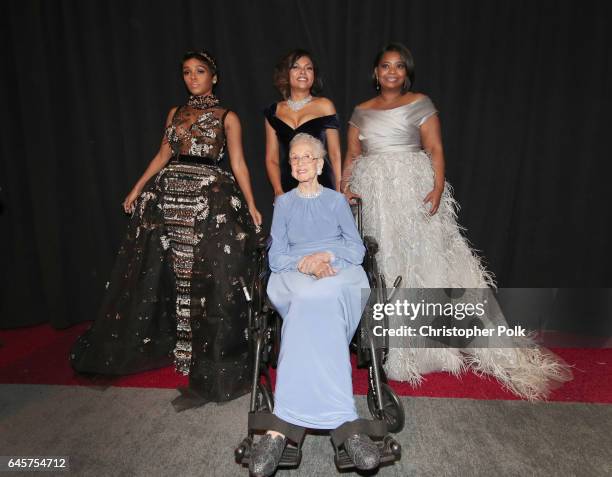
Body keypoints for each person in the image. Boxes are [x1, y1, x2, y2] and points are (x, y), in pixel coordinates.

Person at [343, 43, 571, 400]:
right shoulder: (360, 112)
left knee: (422, 263)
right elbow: (352, 156)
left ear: (407, 73)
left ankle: (431, 348)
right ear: (375, 72)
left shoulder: (421, 102)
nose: (391, 72)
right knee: (385, 266)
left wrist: (436, 190)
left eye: (399, 66)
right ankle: (389, 348)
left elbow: (435, 149)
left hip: (412, 191)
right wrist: (345, 189)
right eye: (385, 66)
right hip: (375, 197)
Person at [70, 50, 262, 409]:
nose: (193, 78)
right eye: (187, 72)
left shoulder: (227, 116)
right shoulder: (175, 113)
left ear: (214, 76)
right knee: (170, 273)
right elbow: (162, 155)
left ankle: (203, 352)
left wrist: (251, 204)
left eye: (200, 71)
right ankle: (179, 346)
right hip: (168, 193)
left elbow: (238, 163)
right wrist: (137, 187)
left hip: (207, 199)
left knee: (205, 275)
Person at [248, 134, 379, 477]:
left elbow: (356, 250)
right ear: (290, 167)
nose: (301, 163)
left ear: (321, 164)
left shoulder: (336, 202)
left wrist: (326, 255)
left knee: (322, 296)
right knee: (307, 297)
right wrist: (305, 262)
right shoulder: (284, 204)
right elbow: (276, 257)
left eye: (308, 157)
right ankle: (342, 420)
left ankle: (282, 429)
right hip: (293, 273)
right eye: (294, 159)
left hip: (339, 271)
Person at [264, 49, 341, 195]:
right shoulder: (274, 111)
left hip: (321, 183)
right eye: (296, 67)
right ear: (286, 73)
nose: (303, 72)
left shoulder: (325, 105)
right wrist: (278, 190)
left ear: (314, 75)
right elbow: (271, 159)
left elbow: (335, 153)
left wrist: (338, 190)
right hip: (288, 186)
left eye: (308, 68)